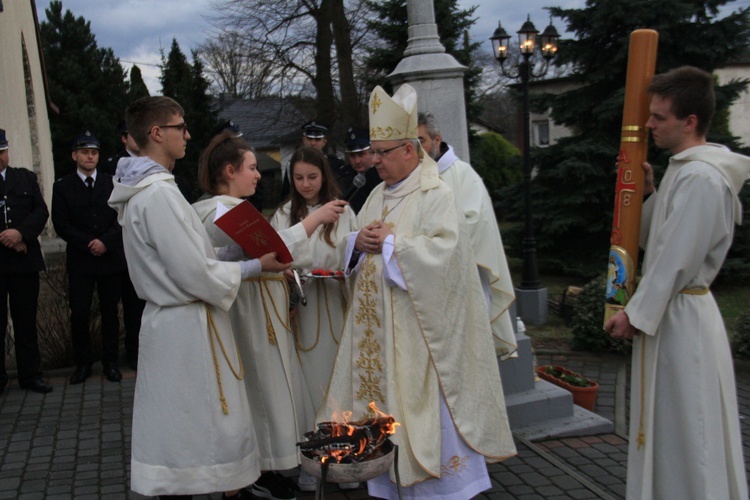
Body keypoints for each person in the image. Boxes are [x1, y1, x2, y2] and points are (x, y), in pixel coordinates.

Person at [320, 85, 516, 499]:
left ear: (410, 150)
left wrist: (389, 245)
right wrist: (358, 242)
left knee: (430, 425)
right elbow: (354, 248)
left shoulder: (437, 195)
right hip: (379, 340)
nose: (374, 161)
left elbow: (446, 259)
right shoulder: (376, 194)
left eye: (382, 152)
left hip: (422, 342)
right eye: (372, 152)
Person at [108, 96, 276, 499]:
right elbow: (194, 273)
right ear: (156, 133)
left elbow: (184, 257)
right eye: (180, 127)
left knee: (180, 421)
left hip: (171, 320)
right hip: (184, 324)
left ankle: (218, 486)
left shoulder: (149, 189)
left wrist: (231, 253)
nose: (187, 134)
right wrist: (257, 266)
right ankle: (212, 487)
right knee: (197, 421)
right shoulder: (159, 195)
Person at [605, 66, 750, 499]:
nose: (648, 125)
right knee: (671, 424)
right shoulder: (683, 171)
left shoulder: (702, 177)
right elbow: (657, 241)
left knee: (692, 426)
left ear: (689, 122)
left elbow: (675, 261)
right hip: (671, 314)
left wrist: (635, 312)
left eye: (659, 117)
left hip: (683, 318)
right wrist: (649, 193)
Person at [193, 133, 349, 500]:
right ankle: (253, 473)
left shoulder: (232, 206)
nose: (258, 175)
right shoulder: (219, 209)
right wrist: (316, 219)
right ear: (229, 171)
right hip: (246, 314)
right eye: (251, 168)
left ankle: (268, 468)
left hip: (262, 309)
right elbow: (277, 248)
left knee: (272, 394)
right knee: (259, 395)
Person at [417, 112, 517, 358]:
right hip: (422, 282)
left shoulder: (463, 175)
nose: (417, 150)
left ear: (436, 139)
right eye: (411, 143)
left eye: (422, 141)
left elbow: (474, 226)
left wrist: (426, 244)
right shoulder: (412, 178)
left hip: (462, 282)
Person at [52, 131, 125, 384]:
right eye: (85, 152)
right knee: (80, 314)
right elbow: (61, 224)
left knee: (110, 314)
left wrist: (106, 241)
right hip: (82, 260)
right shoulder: (62, 187)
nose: (90, 157)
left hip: (109, 258)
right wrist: (88, 243)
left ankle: (111, 363)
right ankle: (83, 364)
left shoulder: (112, 183)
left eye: (94, 153)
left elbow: (122, 218)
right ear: (74, 156)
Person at [0, 127, 53, 395]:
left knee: (25, 321)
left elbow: (40, 210)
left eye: (2, 151)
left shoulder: (25, 178)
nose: (0, 157)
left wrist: (20, 233)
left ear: (7, 151)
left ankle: (31, 375)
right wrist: (7, 237)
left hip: (24, 262)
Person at [101, 123, 146, 370]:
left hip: (137, 247)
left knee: (135, 307)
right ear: (124, 138)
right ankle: (111, 359)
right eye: (133, 134)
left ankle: (136, 353)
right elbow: (107, 206)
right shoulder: (112, 165)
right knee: (110, 309)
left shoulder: (151, 163)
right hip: (113, 249)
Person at [280, 120, 351, 199]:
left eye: (317, 140)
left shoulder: (337, 164)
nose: (313, 143)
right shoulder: (292, 165)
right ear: (304, 140)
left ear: (324, 142)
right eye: (309, 139)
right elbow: (286, 195)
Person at [342, 126, 379, 213]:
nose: (357, 161)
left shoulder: (382, 176)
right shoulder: (343, 177)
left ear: (371, 151)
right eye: (352, 156)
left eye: (361, 154)